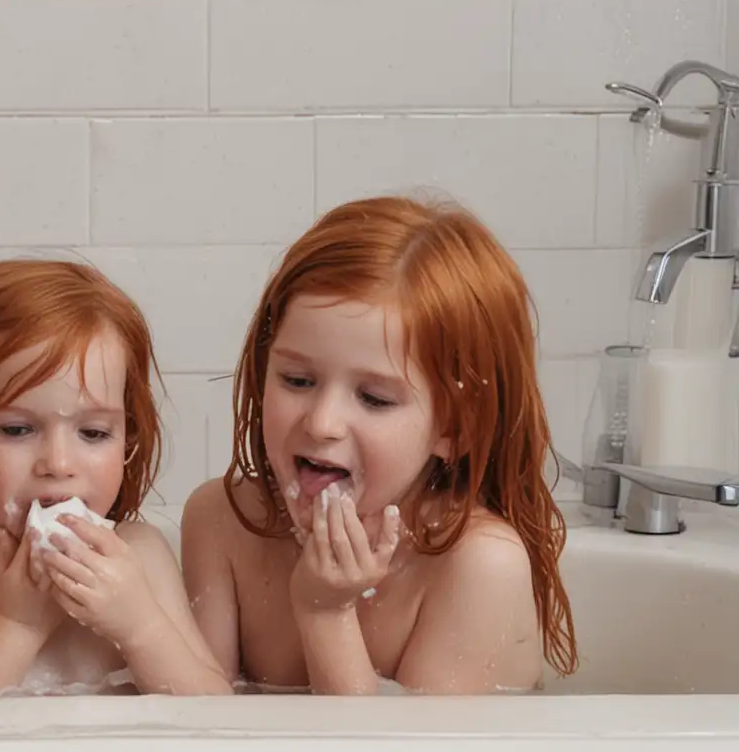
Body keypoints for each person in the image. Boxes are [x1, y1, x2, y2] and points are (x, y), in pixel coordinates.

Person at [181, 196, 574, 694]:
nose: (322, 423)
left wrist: (325, 612)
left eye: (373, 398)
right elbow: (196, 738)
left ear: (456, 431)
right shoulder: (223, 522)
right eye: (297, 380)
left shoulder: (477, 566)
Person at [0, 259, 230, 697]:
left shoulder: (139, 557)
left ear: (127, 441)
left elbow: (217, 718)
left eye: (93, 433)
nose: (58, 463)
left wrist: (140, 625)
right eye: (17, 430)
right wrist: (17, 626)